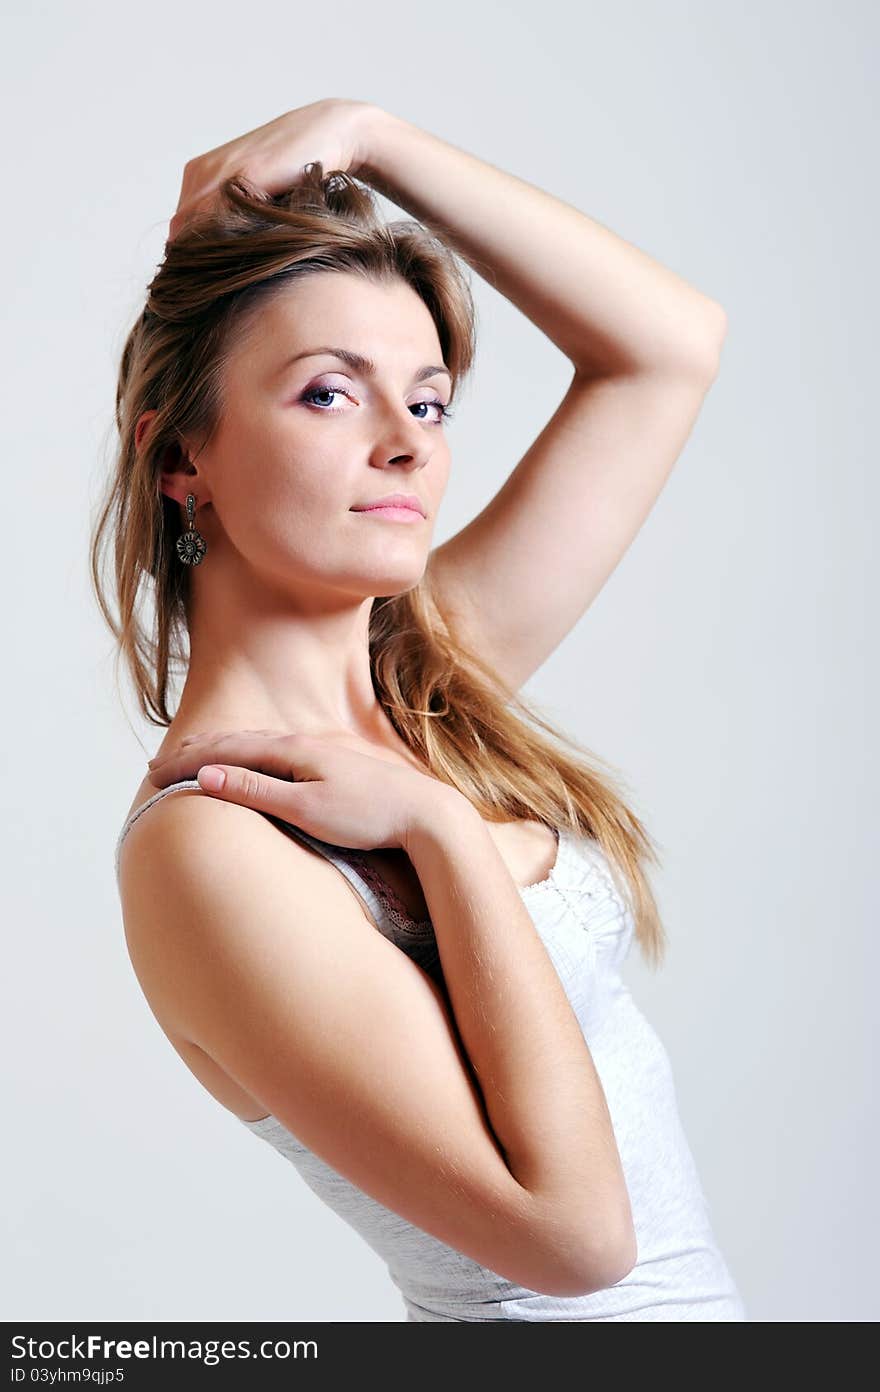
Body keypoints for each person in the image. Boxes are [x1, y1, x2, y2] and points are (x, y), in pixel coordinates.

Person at [97, 98, 746, 1321]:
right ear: (181, 458)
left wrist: (373, 137)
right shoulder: (210, 848)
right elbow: (573, 1244)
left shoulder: (428, 685)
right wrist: (441, 835)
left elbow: (669, 345)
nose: (408, 445)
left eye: (431, 400)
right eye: (330, 396)